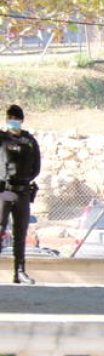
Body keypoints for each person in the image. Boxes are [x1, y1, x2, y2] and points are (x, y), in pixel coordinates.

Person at [0, 105, 41, 285]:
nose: (13, 120)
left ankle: (19, 271)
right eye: (10, 117)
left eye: (16, 118)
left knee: (20, 233)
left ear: (22, 120)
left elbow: (36, 167)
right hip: (4, 191)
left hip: (23, 191)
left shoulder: (29, 141)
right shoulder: (1, 138)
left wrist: (25, 179)